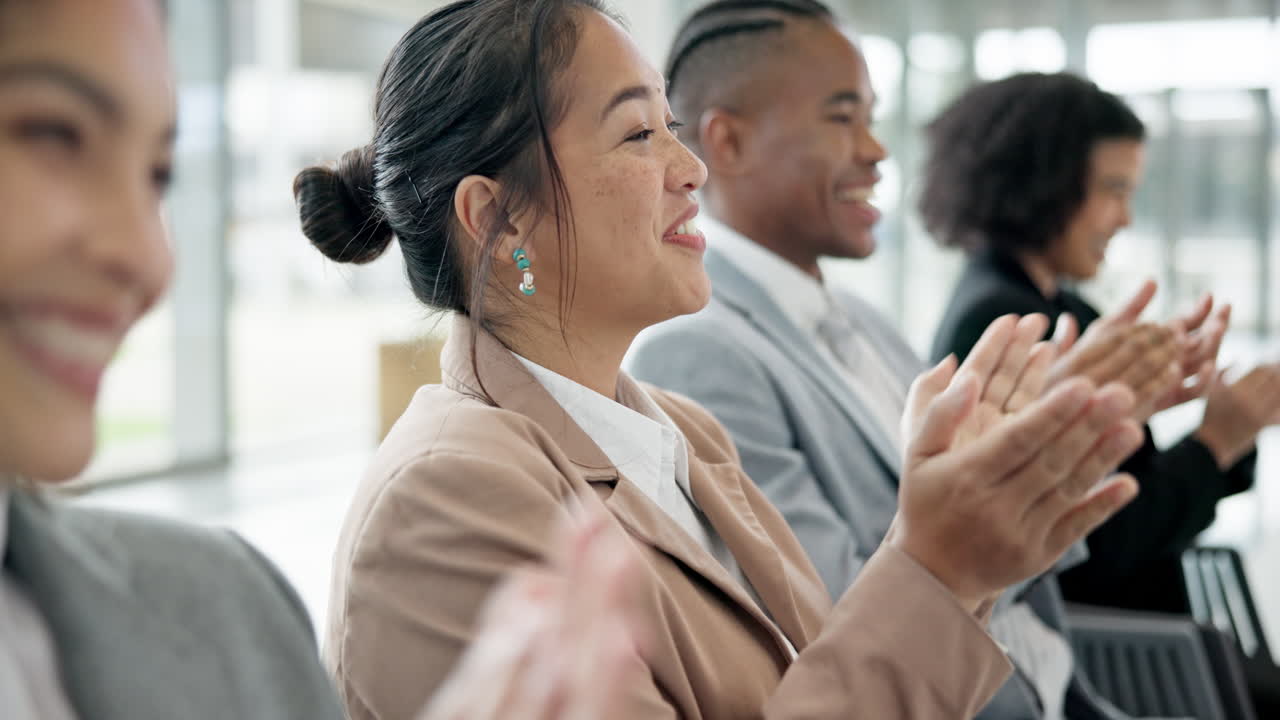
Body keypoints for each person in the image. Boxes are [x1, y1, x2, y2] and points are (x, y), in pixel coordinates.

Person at [299, 1, 1146, 718]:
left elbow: (823, 674)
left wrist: (967, 553)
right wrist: (935, 566)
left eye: (671, 127)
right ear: (496, 217)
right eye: (638, 134)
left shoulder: (684, 436)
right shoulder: (446, 500)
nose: (690, 167)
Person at [0, 1, 645, 719]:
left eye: (158, 177)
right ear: (491, 215)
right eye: (53, 134)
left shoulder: (231, 616)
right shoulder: (446, 493)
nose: (148, 259)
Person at [627, 3, 1198, 719]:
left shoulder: (865, 321)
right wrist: (1034, 453)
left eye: (872, 116)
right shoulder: (695, 351)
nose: (877, 150)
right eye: (843, 118)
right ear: (728, 143)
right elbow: (833, 620)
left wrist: (1053, 437)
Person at [924, 72, 1280, 615]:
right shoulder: (1005, 320)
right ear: (1043, 184)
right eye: (1114, 190)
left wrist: (1205, 415)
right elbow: (1099, 545)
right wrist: (1218, 439)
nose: (1125, 218)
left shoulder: (1059, 307)